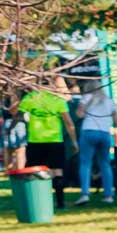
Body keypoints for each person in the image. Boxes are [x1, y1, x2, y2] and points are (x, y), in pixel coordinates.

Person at [19, 77, 75, 209]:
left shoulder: (30, 98)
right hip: (55, 140)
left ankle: (36, 201)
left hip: (35, 140)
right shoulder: (58, 100)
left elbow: (19, 115)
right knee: (57, 171)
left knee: (35, 171)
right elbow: (68, 123)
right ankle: (60, 202)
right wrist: (74, 141)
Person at [72, 81, 117, 206]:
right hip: (105, 133)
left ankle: (85, 194)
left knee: (85, 163)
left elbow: (79, 114)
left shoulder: (86, 97)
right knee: (105, 164)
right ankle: (109, 195)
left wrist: (87, 105)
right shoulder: (109, 101)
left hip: (89, 131)